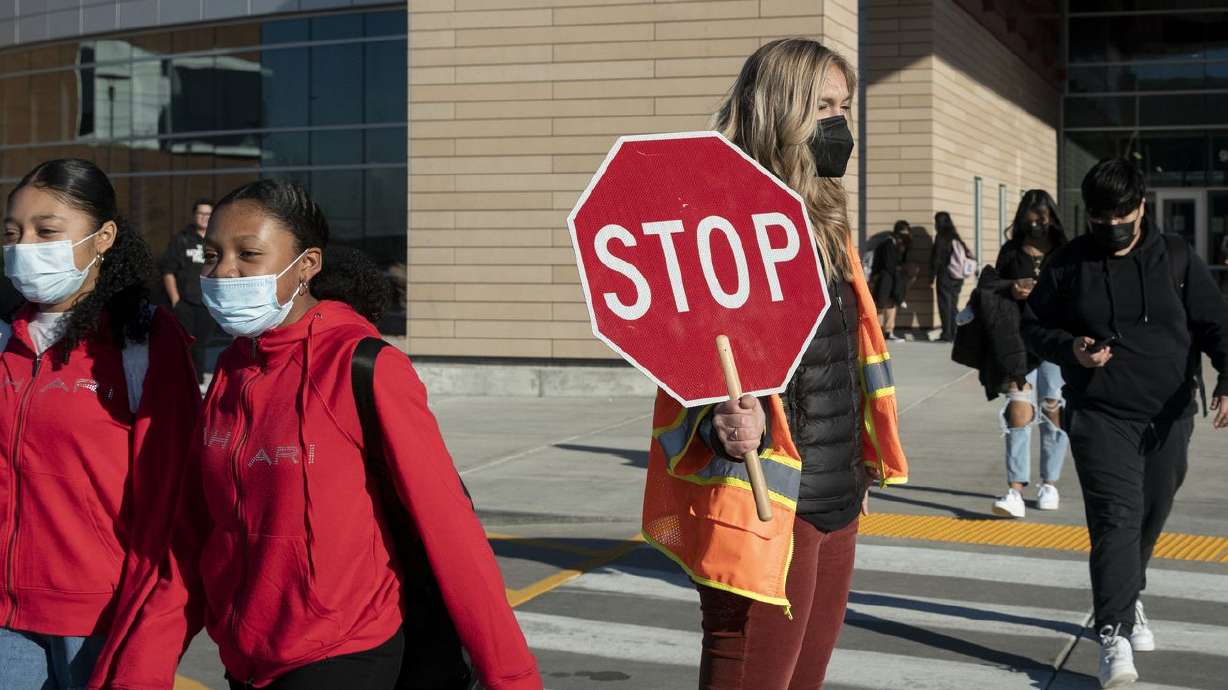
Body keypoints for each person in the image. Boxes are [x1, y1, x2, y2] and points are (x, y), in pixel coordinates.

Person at [149, 179, 541, 690]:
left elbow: (450, 529)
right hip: (245, 657)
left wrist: (511, 676)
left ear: (307, 264)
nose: (223, 272)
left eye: (248, 254)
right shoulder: (229, 371)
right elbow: (196, 532)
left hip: (343, 651)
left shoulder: (365, 366)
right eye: (212, 254)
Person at [640, 39, 908, 690]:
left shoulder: (828, 221)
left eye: (844, 106)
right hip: (767, 511)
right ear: (780, 111)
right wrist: (718, 426)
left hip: (838, 498)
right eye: (822, 106)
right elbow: (685, 377)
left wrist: (861, 462)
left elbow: (849, 358)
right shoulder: (718, 222)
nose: (838, 123)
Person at [1023, 159, 1228, 689]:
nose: (1111, 225)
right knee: (1116, 519)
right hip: (1100, 415)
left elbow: (1215, 325)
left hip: (1169, 416)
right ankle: (1112, 633)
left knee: (1149, 518)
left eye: (1121, 214)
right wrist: (1070, 348)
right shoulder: (1069, 265)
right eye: (1099, 216)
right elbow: (1033, 326)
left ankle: (1127, 597)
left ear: (1142, 207)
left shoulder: (1177, 259)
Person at [0, 159, 200, 690]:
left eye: (47, 231)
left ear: (103, 236)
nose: (24, 247)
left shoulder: (142, 341)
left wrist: (154, 621)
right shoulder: (4, 338)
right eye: (12, 232)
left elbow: (175, 500)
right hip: (3, 619)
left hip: (98, 619)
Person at [990, 190, 1070, 519]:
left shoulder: (1067, 251)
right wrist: (1012, 289)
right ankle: (1015, 491)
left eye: (1043, 217)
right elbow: (991, 287)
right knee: (1018, 411)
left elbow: (1080, 290)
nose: (1037, 223)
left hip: (1055, 339)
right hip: (1018, 340)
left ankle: (1049, 483)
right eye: (1031, 217)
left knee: (1053, 409)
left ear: (1052, 216)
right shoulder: (1011, 251)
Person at [161, 198, 216, 383]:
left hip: (207, 303)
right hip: (185, 302)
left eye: (208, 214)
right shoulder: (182, 239)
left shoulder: (217, 240)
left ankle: (198, 381)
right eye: (200, 213)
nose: (204, 218)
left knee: (202, 344)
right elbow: (168, 271)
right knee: (185, 344)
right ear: (194, 216)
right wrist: (176, 300)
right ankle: (186, 381)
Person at [930, 211, 970, 342]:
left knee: (945, 305)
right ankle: (955, 332)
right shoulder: (954, 236)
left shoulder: (941, 237)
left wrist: (931, 276)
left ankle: (947, 334)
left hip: (945, 275)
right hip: (958, 276)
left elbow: (936, 258)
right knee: (952, 304)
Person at [871, 220, 911, 341]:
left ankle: (888, 331)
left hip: (889, 278)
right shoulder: (888, 243)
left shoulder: (896, 244)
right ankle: (876, 332)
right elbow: (889, 265)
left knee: (890, 304)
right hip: (884, 278)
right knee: (880, 304)